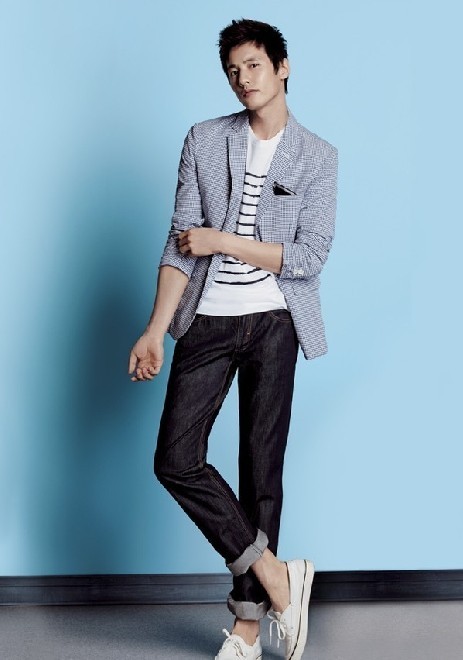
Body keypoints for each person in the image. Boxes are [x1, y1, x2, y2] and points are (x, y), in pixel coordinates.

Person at [128, 18, 337, 660]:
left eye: (253, 65)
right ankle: (277, 577)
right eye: (233, 70)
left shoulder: (318, 156)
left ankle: (248, 626)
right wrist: (156, 329)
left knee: (260, 469)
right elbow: (179, 244)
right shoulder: (204, 139)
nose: (243, 79)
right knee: (176, 458)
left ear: (282, 67)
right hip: (209, 318)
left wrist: (223, 240)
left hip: (275, 320)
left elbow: (309, 256)